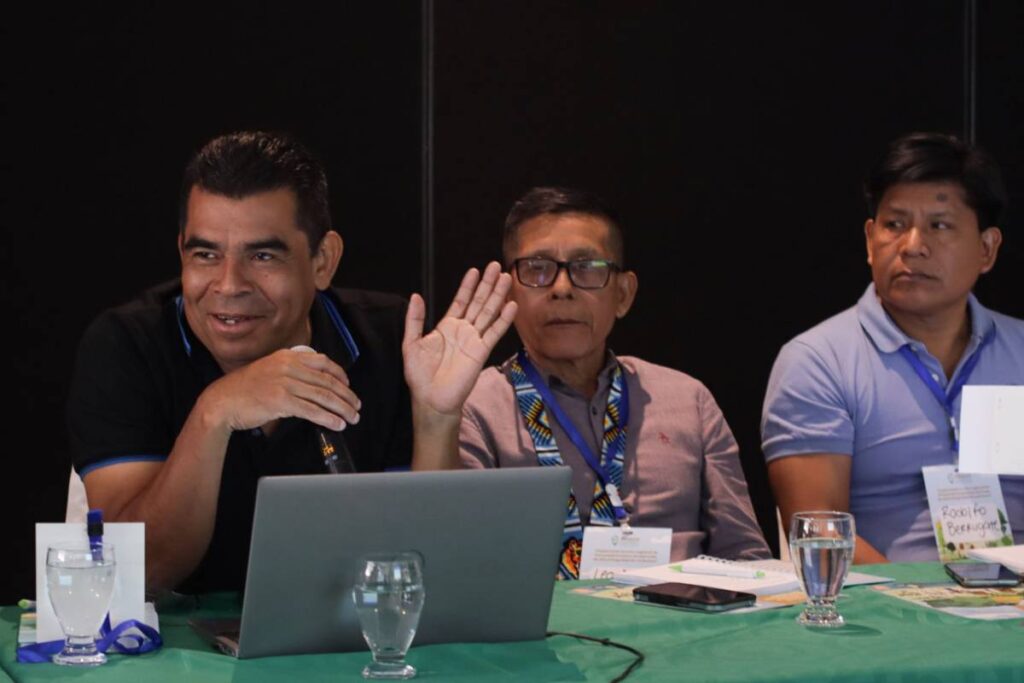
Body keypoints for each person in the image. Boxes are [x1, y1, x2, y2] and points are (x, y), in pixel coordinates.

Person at [68, 131, 516, 592]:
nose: (228, 285)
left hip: (343, 645)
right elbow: (138, 573)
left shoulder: (391, 339)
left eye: (262, 255)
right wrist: (215, 412)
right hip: (175, 653)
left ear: (323, 261)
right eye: (205, 254)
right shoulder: (127, 345)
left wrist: (437, 418)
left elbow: (425, 569)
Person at [459, 187, 770, 578]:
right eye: (537, 268)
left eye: (587, 267)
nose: (561, 288)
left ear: (623, 294)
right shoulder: (476, 408)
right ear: (508, 291)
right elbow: (455, 563)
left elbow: (746, 559)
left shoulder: (689, 401)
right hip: (544, 632)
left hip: (681, 628)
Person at [762, 132, 1024, 563]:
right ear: (870, 240)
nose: (913, 246)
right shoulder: (817, 362)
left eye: (939, 225)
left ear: (986, 249)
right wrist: (926, 608)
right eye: (894, 225)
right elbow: (819, 530)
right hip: (886, 612)